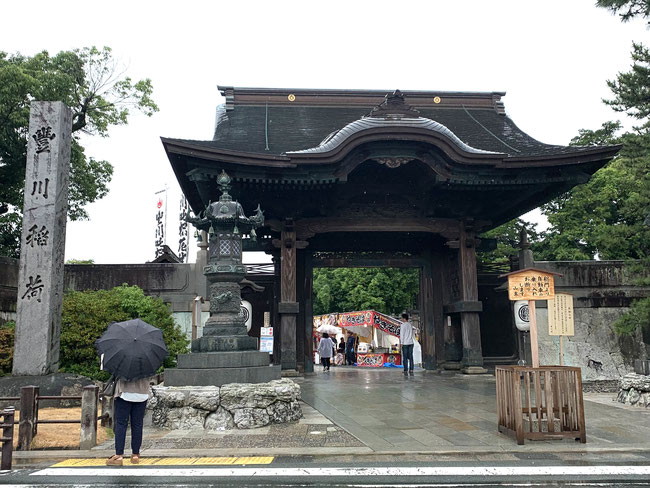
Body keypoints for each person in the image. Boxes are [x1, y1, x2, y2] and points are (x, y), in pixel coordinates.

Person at [106, 377, 151, 466]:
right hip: (142, 394)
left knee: (121, 423)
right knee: (137, 424)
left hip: (124, 393)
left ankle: (119, 455)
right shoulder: (146, 364)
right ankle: (135, 455)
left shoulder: (123, 363)